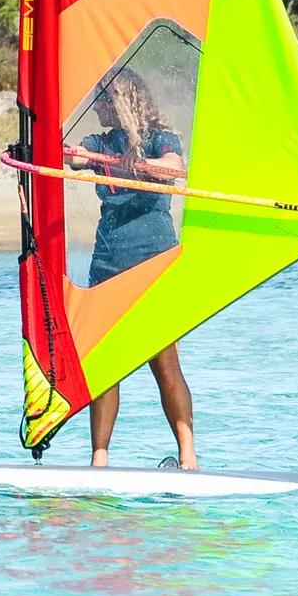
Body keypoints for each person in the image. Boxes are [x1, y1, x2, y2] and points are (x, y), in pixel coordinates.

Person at [67, 71, 194, 469]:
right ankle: (99, 459)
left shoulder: (161, 138)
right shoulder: (101, 142)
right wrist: (79, 157)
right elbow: (72, 156)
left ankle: (188, 456)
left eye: (103, 101)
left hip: (154, 261)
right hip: (108, 263)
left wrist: (139, 165)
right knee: (107, 364)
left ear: (122, 100)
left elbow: (175, 167)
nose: (98, 108)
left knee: (165, 363)